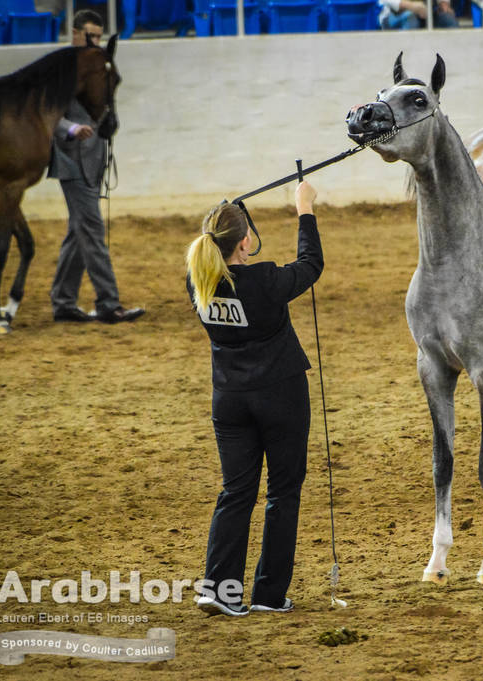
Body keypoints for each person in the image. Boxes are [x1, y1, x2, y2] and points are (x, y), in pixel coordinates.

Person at [186, 182, 323, 617]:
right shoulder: (265, 279)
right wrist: (305, 210)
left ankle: (219, 590)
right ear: (246, 242)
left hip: (229, 399)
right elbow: (310, 265)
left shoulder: (198, 280)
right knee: (283, 493)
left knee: (236, 492)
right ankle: (268, 595)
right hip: (280, 394)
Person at [49, 9, 144, 324]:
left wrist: (107, 123)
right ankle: (108, 303)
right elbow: (48, 113)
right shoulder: (62, 69)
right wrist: (71, 129)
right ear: (75, 34)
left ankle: (63, 302)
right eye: (89, 36)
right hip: (71, 160)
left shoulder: (95, 67)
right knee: (92, 229)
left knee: (79, 232)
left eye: (98, 37)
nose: (94, 42)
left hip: (94, 158)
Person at [378, 0, 459, 29]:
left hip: (428, 12)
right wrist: (412, 6)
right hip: (395, 14)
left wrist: (444, 3)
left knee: (449, 20)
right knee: (411, 20)